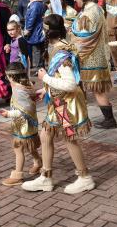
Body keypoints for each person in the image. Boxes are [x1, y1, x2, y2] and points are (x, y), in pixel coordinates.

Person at [22, 14, 95, 194]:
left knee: (70, 138)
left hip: (65, 105)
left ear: (47, 32)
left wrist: (44, 78)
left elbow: (70, 83)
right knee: (46, 135)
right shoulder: (58, 46)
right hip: (57, 102)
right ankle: (46, 177)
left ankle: (85, 177)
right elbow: (60, 79)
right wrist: (45, 90)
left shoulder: (61, 52)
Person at [71, 0, 116, 129]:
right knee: (96, 89)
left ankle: (109, 120)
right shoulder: (93, 9)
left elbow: (84, 37)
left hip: (92, 58)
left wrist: (71, 46)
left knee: (98, 89)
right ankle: (106, 119)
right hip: (95, 56)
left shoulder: (90, 13)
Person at [0, 62, 43, 186]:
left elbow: (21, 111)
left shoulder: (19, 91)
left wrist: (8, 114)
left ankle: (17, 175)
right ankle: (38, 162)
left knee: (18, 148)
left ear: (12, 77)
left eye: (7, 76)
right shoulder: (26, 85)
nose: (7, 79)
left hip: (24, 125)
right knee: (30, 146)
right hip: (28, 124)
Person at [24, 0, 46, 70]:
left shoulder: (35, 4)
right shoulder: (38, 3)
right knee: (39, 50)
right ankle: (40, 67)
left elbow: (32, 18)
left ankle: (38, 69)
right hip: (38, 29)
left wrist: (28, 29)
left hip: (35, 31)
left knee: (36, 50)